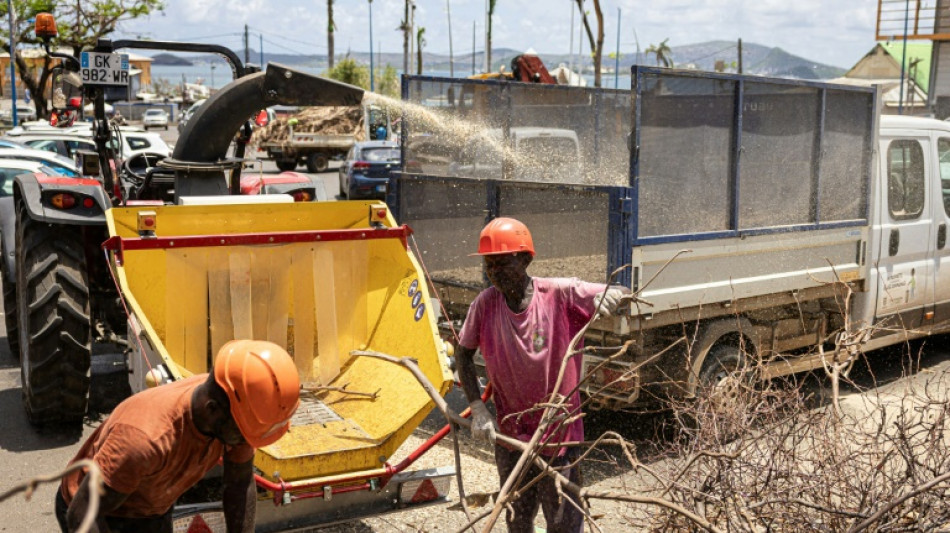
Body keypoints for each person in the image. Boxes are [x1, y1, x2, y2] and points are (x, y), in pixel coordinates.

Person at [455, 217, 626, 533]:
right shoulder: (485, 304)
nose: (493, 273)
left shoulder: (558, 295)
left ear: (524, 259)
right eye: (489, 265)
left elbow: (616, 293)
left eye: (501, 264)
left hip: (558, 434)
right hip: (511, 435)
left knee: (563, 523)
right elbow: (463, 354)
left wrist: (613, 296)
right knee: (517, 520)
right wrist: (477, 407)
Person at [55, 339, 301, 533]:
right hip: (97, 511)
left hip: (151, 508)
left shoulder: (235, 410)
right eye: (243, 435)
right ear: (211, 410)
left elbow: (239, 484)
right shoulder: (144, 439)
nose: (247, 442)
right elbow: (82, 513)